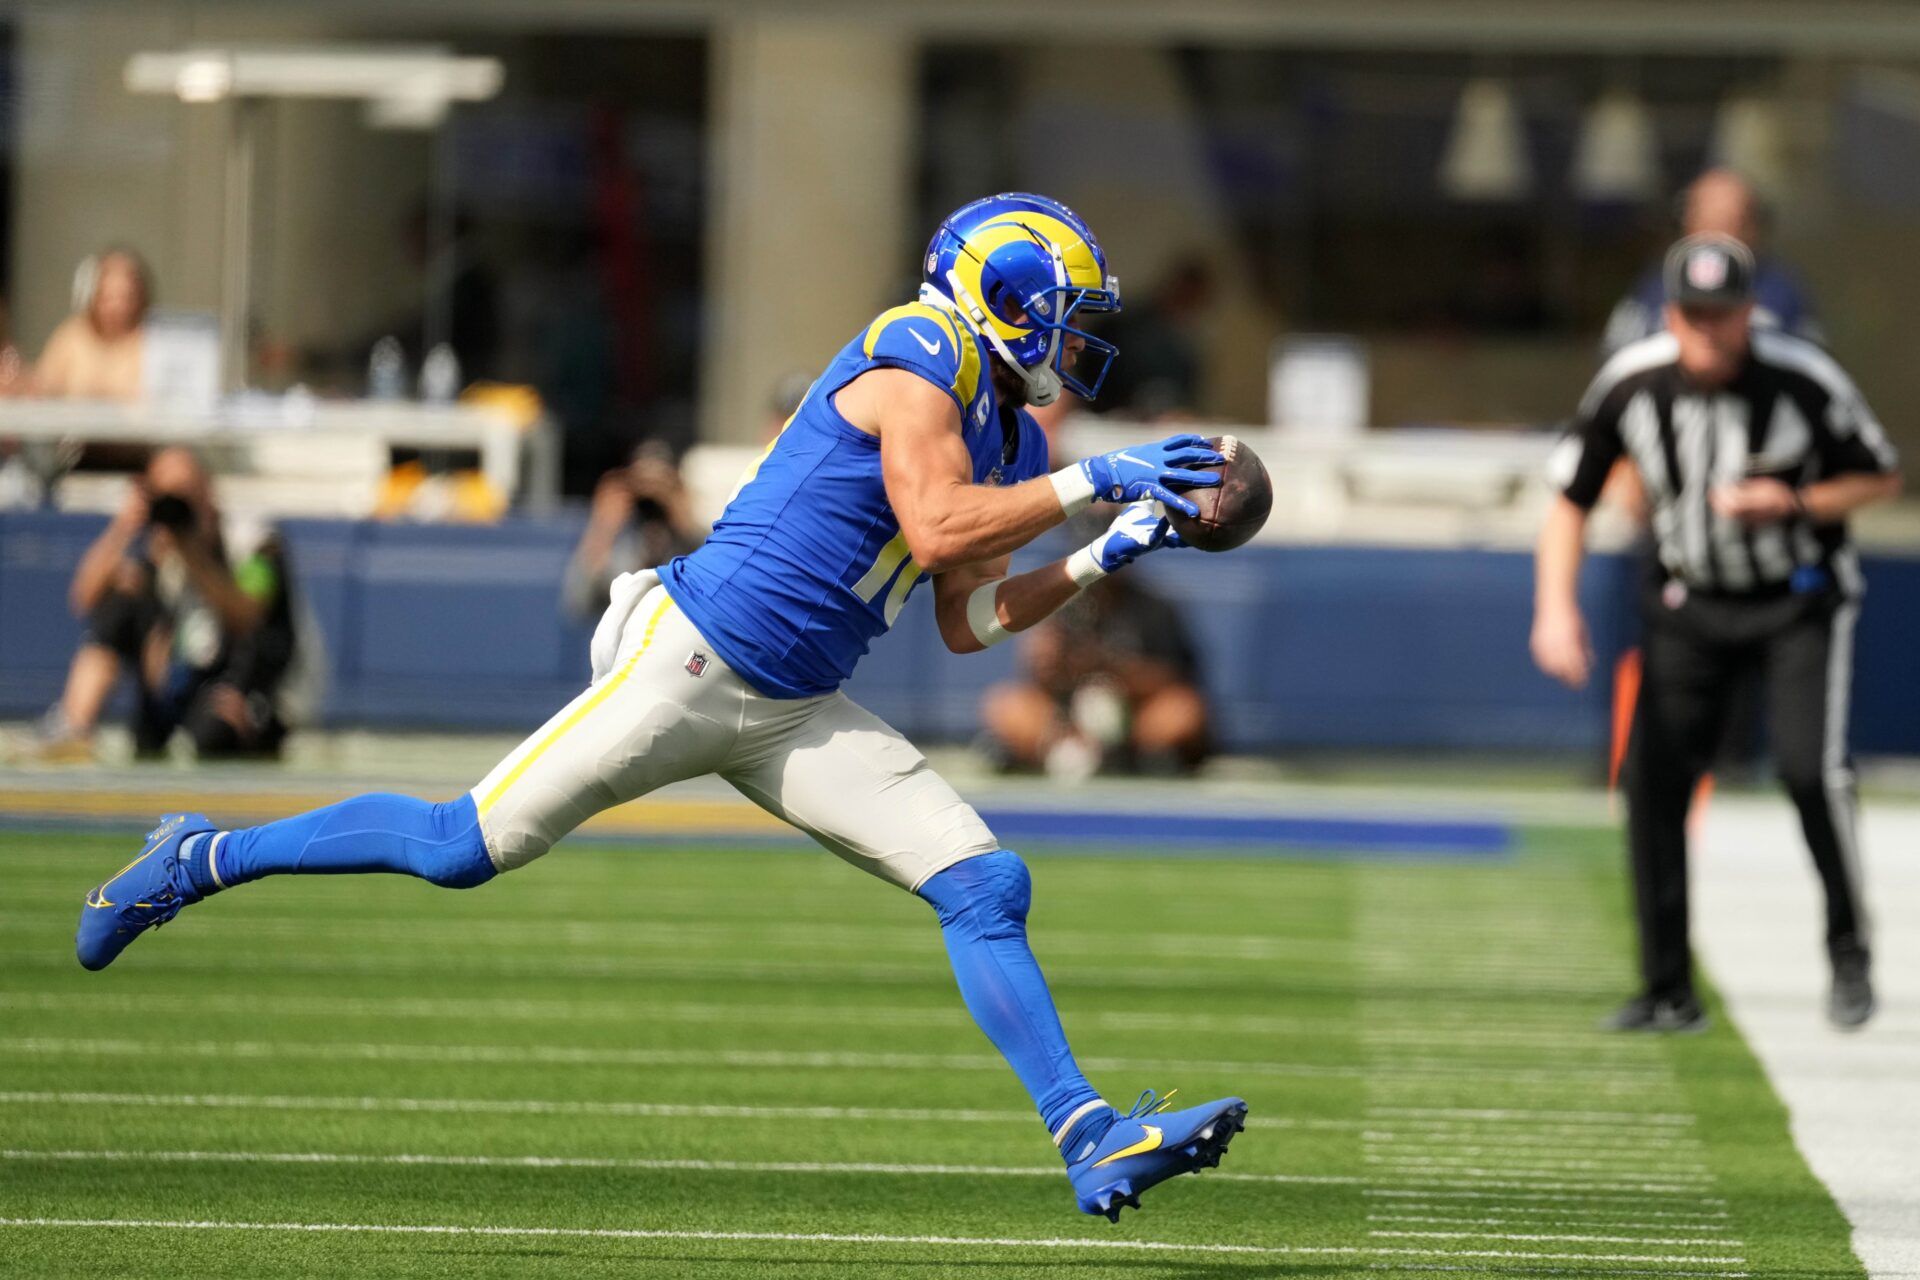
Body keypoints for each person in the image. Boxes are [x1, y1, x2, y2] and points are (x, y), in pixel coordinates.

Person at [72, 193, 1249, 1221]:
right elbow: (939, 525)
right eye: (1067, 312)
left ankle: (1087, 1131)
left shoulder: (1005, 423)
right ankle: (199, 856)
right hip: (689, 654)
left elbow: (965, 616)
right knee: (460, 847)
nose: (1078, 339)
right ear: (1006, 296)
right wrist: (1096, 482)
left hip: (796, 700)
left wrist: (1107, 550)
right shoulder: (918, 352)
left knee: (984, 880)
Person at [1533, 233, 1901, 1033]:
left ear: (1748, 313)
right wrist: (1554, 607)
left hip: (1798, 599)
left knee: (1812, 773)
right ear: (1671, 315)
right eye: (1694, 316)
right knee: (1651, 784)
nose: (1709, 332)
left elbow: (1881, 472)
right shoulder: (1633, 383)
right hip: (1689, 600)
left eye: (1723, 316)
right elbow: (1571, 497)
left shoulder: (1803, 378)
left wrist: (1795, 504)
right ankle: (1668, 987)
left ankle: (1849, 946)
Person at [38, 448, 300, 761]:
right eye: (166, 495)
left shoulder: (252, 540)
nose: (177, 505)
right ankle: (75, 726)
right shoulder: (153, 549)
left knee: (212, 736)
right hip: (179, 688)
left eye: (185, 493)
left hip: (247, 692)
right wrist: (124, 527)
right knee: (119, 604)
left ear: (207, 491)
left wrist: (191, 551)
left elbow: (246, 615)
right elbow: (84, 599)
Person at [982, 573, 1210, 778]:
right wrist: (1056, 664)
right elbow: (1037, 673)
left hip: (1133, 716)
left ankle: (1139, 758)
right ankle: (1052, 752)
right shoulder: (1057, 602)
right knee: (1007, 705)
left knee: (1183, 710)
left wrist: (1113, 668)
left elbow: (1176, 676)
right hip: (1064, 715)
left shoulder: (1153, 606)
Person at [1600, 169, 1821, 359]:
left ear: (1754, 229)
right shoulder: (1655, 286)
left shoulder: (1783, 291)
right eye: (1706, 222)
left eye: (1730, 223)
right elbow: (1616, 358)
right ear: (1687, 226)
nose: (1716, 235)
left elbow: (1813, 366)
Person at [562, 440, 708, 621]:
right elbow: (579, 600)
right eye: (643, 483)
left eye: (661, 484)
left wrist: (682, 513)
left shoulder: (687, 538)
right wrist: (604, 527)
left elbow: (714, 584)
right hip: (627, 641)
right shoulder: (620, 535)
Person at [31, 248, 153, 401]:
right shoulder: (72, 336)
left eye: (125, 298)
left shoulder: (152, 341)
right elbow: (41, 389)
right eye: (108, 298)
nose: (116, 308)